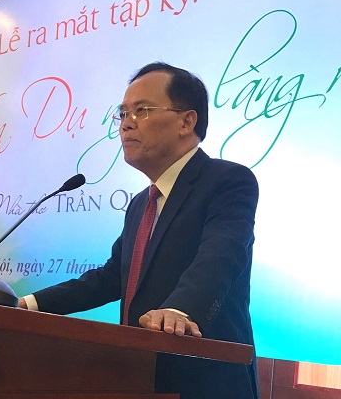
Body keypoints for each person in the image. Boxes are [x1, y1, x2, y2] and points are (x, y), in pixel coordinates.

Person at [19, 62, 259, 399]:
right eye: (123, 113)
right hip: (139, 376)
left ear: (186, 121)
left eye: (142, 110)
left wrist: (180, 310)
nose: (126, 123)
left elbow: (220, 256)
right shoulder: (139, 205)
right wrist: (27, 304)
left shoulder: (228, 181)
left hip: (204, 381)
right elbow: (112, 277)